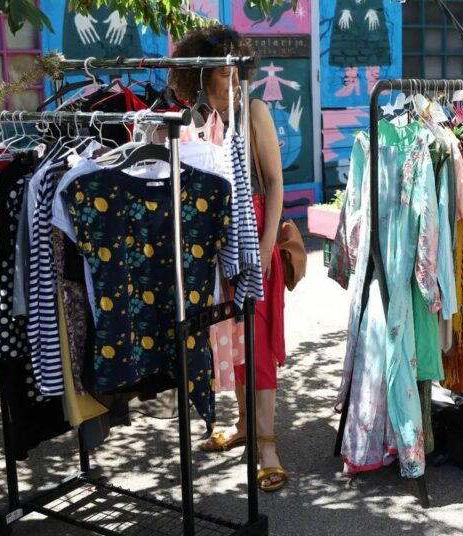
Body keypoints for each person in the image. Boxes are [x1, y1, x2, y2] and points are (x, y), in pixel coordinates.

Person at [170, 24, 288, 492]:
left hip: (252, 236)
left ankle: (268, 445)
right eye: (224, 71)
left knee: (256, 342)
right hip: (209, 245)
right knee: (229, 338)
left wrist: (266, 244)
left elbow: (275, 183)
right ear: (201, 75)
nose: (234, 79)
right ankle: (243, 424)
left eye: (238, 69)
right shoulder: (192, 118)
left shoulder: (254, 111)